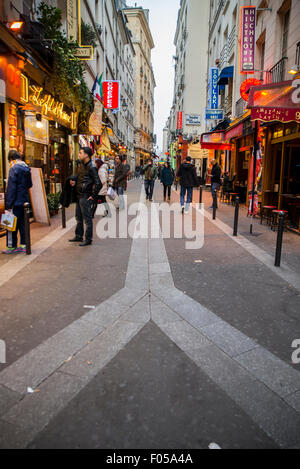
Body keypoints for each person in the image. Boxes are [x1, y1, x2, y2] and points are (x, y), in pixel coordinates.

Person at [69, 147, 101, 246]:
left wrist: (93, 196)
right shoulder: (81, 165)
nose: (79, 154)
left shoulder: (92, 167)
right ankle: (79, 236)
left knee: (87, 219)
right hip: (79, 195)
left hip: (85, 196)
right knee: (78, 217)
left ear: (86, 155)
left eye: (81, 153)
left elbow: (98, 183)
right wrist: (73, 180)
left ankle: (88, 239)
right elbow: (79, 177)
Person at [2, 150, 32, 254]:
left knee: (10, 224)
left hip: (15, 202)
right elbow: (30, 184)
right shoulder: (26, 168)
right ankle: (24, 245)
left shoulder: (13, 168)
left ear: (11, 159)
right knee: (23, 224)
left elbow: (11, 188)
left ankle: (11, 246)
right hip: (24, 201)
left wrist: (8, 204)